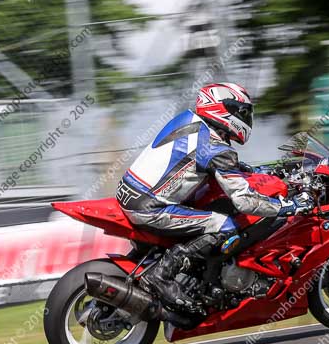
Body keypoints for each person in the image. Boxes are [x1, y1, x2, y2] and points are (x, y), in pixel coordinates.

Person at [116, 82, 314, 313]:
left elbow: (199, 160)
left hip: (132, 194)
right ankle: (162, 275)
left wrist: (252, 171)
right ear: (223, 110)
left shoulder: (189, 121)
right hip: (150, 207)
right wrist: (287, 206)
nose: (246, 118)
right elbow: (243, 201)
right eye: (242, 113)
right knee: (227, 225)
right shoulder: (216, 148)